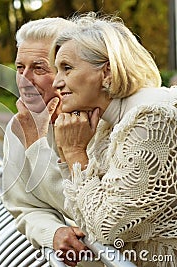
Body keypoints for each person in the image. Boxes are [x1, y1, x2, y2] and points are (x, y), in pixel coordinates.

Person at [50, 12, 177, 266]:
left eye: (67, 68)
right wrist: (68, 153)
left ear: (107, 71)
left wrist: (75, 153)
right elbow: (83, 217)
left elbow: (106, 227)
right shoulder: (105, 123)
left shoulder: (152, 118)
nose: (56, 82)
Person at [1, 18, 101, 266]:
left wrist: (36, 144)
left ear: (67, 70)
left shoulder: (102, 121)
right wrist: (53, 232)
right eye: (19, 68)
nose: (24, 80)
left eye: (39, 68)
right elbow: (22, 206)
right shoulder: (18, 126)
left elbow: (92, 209)